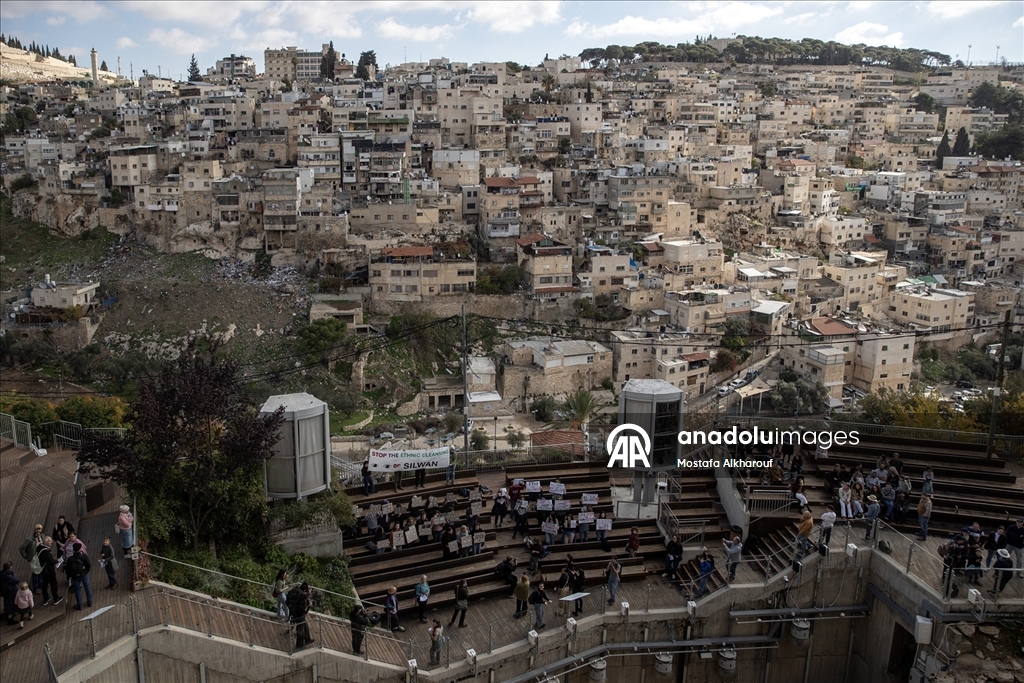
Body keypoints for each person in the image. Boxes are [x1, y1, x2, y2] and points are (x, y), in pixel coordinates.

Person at [66, 541, 92, 611]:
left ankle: (79, 605)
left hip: (75, 577)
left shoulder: (70, 559)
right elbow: (88, 565)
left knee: (77, 590)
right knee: (87, 587)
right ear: (79, 549)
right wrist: (86, 571)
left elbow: (67, 569)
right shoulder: (83, 556)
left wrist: (70, 576)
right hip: (84, 574)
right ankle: (90, 602)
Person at [35, 537, 62, 606]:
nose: (51, 542)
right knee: (53, 584)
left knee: (44, 584)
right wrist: (57, 561)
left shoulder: (39, 547)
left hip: (43, 570)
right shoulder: (46, 552)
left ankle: (45, 599)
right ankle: (56, 598)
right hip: (49, 571)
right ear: (46, 543)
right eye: (50, 541)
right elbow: (50, 561)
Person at [19, 524, 44, 594]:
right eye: (37, 529)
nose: (38, 531)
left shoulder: (42, 536)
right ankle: (36, 587)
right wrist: (26, 556)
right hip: (34, 558)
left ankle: (41, 583)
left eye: (39, 529)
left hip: (41, 556)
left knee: (41, 570)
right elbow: (21, 547)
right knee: (35, 573)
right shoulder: (29, 539)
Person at [288, 583, 313, 647]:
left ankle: (307, 639)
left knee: (305, 626)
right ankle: (299, 644)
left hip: (295, 613)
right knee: (300, 629)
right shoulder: (301, 603)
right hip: (299, 615)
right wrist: (308, 607)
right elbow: (304, 612)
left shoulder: (298, 593)